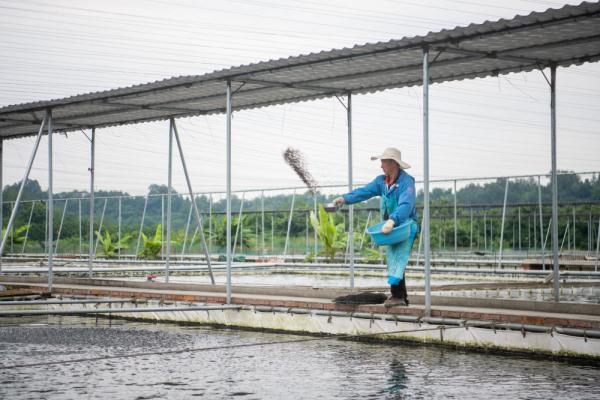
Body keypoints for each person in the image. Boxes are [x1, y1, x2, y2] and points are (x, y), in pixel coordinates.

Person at [333, 147, 418, 307]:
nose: (381, 166)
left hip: (405, 226)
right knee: (393, 258)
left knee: (398, 258)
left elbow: (406, 204)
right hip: (391, 227)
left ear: (393, 163)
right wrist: (344, 199)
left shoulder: (407, 182)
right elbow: (364, 192)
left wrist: (393, 220)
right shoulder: (382, 181)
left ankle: (398, 296)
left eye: (383, 162)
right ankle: (400, 297)